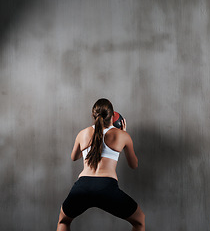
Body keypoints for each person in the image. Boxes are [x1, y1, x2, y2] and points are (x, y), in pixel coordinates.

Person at [57, 98, 145, 231]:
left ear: (94, 115)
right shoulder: (122, 136)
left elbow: (74, 157)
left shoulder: (83, 133)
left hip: (82, 187)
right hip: (106, 188)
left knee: (63, 221)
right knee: (139, 221)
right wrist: (124, 135)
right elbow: (134, 165)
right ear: (112, 117)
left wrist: (87, 148)